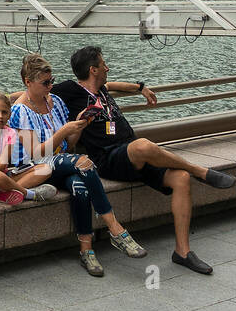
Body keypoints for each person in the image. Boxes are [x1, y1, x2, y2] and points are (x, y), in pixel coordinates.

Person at [53, 46, 236, 275]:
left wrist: (141, 88)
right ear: (93, 70)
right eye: (104, 65)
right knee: (143, 146)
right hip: (108, 158)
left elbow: (115, 85)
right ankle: (200, 171)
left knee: (180, 178)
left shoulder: (101, 89)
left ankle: (182, 252)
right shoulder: (70, 89)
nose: (107, 68)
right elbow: (29, 92)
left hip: (131, 155)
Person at [10, 53, 147, 277]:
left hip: (62, 163)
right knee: (84, 162)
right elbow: (36, 153)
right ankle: (116, 229)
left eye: (51, 81)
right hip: (35, 168)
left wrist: (80, 125)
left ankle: (86, 251)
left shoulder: (57, 103)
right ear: (28, 82)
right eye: (45, 83)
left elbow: (69, 144)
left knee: (79, 187)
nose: (50, 87)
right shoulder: (20, 110)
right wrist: (63, 131)